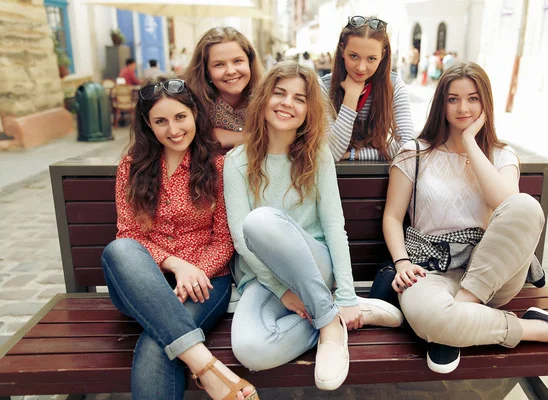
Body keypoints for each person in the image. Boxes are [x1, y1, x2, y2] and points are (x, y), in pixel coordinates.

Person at [382, 62, 548, 375]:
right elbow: (392, 217)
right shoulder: (414, 152)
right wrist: (402, 263)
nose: (463, 108)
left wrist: (470, 142)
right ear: (440, 103)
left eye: (472, 98)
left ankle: (462, 314)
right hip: (429, 269)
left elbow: (506, 205)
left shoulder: (501, 154)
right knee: (431, 319)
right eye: (453, 99)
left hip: (492, 274)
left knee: (525, 205)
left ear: (485, 103)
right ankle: (537, 329)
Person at [223, 61, 403, 391]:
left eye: (299, 98)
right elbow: (241, 241)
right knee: (250, 350)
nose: (286, 103)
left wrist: (347, 291)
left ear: (309, 110)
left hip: (315, 267)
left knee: (261, 220)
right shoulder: (236, 162)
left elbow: (335, 226)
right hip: (265, 280)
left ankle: (332, 326)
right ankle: (333, 315)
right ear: (264, 99)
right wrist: (283, 292)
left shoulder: (316, 155)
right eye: (279, 93)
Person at [101, 77, 259, 400]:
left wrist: (195, 272)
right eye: (161, 121)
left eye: (180, 117)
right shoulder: (131, 167)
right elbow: (129, 233)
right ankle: (207, 367)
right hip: (141, 281)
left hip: (205, 283)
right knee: (119, 250)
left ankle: (205, 369)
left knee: (156, 343)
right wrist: (177, 265)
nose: (173, 129)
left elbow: (224, 240)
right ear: (148, 124)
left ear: (194, 116)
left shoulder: (217, 167)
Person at [320, 16, 415, 161]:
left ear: (382, 55)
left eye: (371, 59)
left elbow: (407, 146)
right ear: (342, 50)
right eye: (353, 56)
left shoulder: (394, 85)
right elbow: (331, 152)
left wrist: (355, 155)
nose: (361, 67)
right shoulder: (325, 87)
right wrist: (351, 97)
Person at [185, 27, 263, 149]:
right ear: (206, 71)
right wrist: (251, 137)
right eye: (219, 64)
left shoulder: (267, 100)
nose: (230, 71)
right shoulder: (192, 105)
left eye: (237, 61)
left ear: (249, 62)